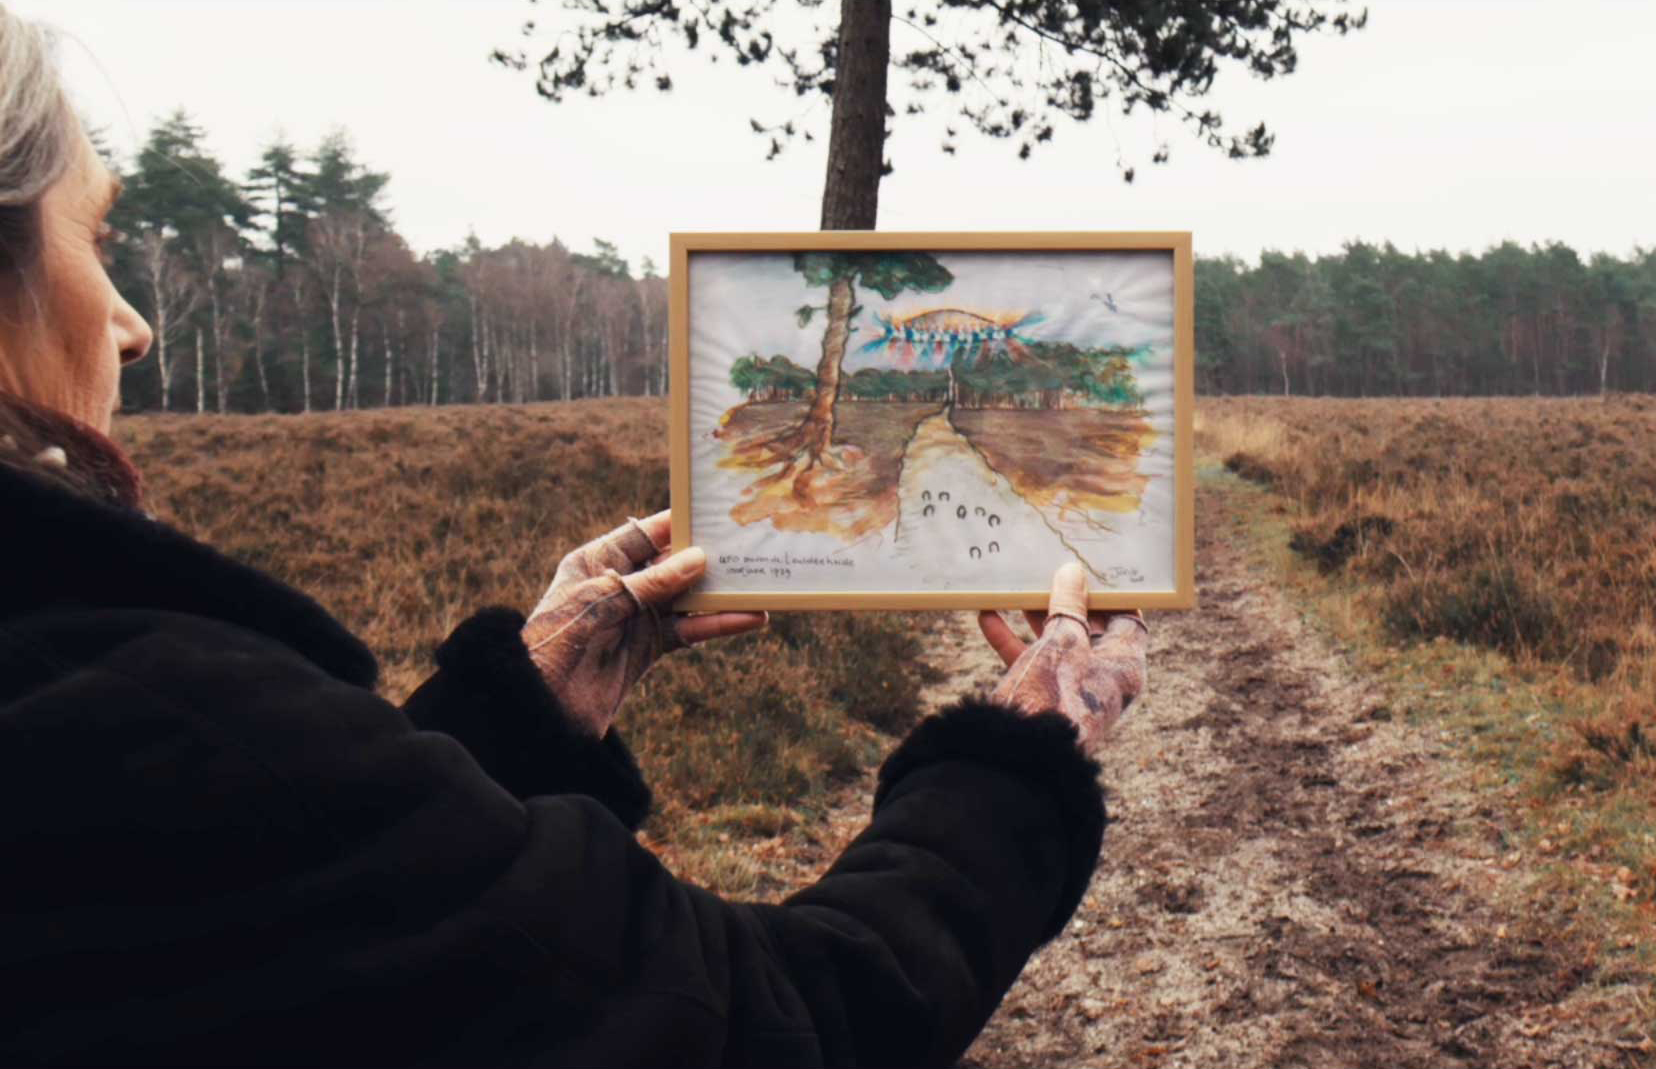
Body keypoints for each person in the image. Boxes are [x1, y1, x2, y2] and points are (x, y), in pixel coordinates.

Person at [0, 9, 1147, 1065]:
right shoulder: (149, 721)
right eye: (94, 236)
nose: (133, 325)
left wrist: (510, 721)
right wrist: (1022, 759)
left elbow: (318, 945)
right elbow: (766, 1026)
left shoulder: (83, 709)